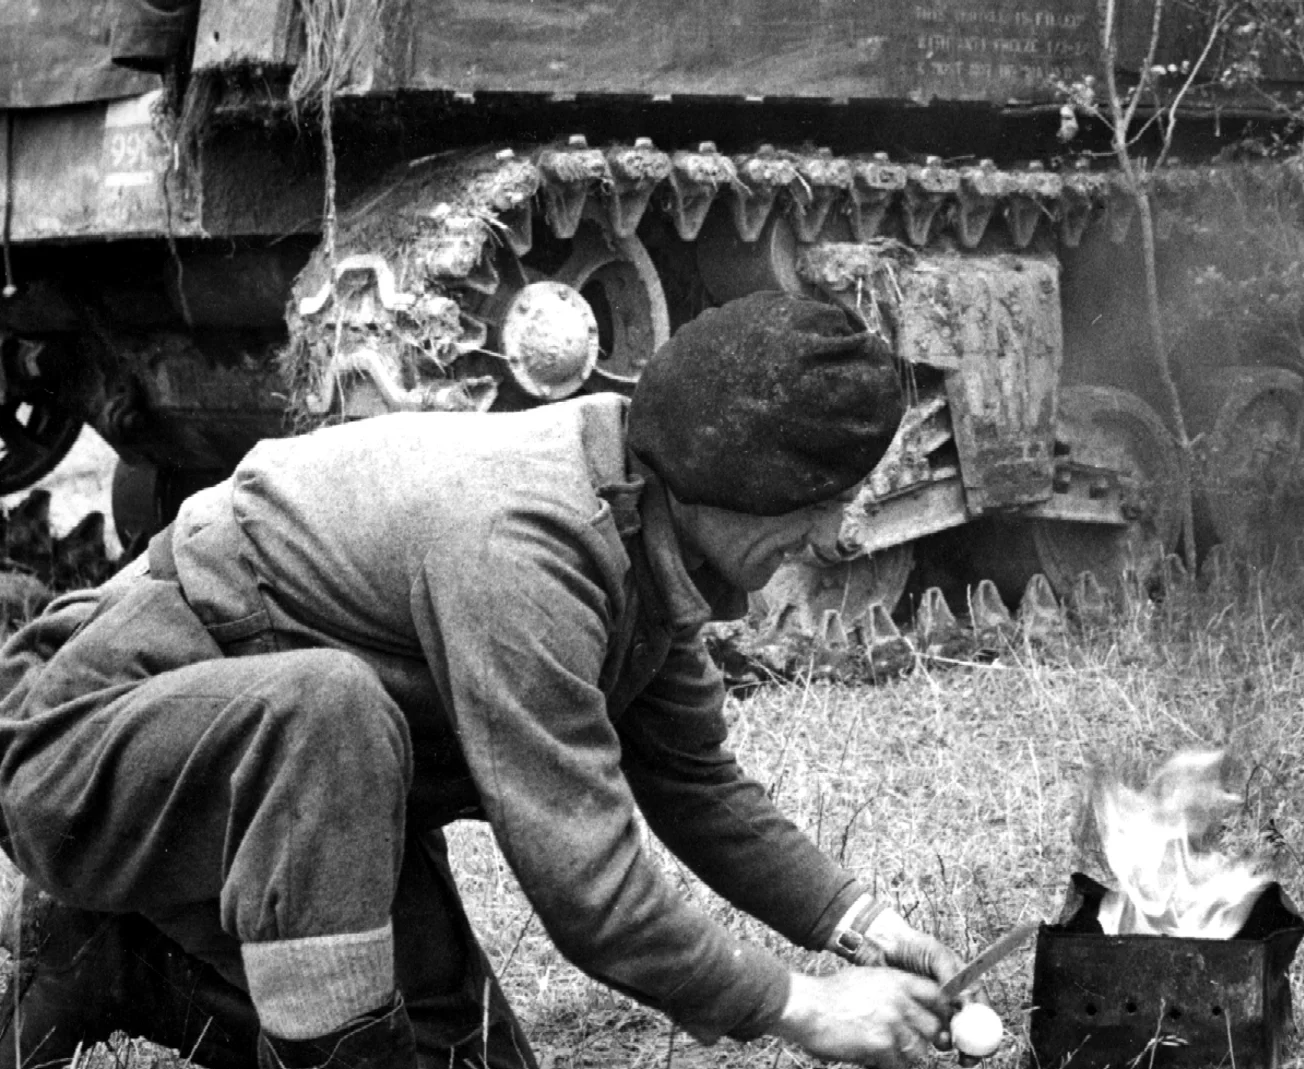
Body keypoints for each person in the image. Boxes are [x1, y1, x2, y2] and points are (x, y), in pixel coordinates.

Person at [0, 291, 965, 1069]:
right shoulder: (526, 542)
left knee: (462, 1055)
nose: (835, 535)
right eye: (823, 499)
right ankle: (130, 934)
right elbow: (588, 888)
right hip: (80, 749)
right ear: (735, 479)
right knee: (329, 708)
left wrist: (860, 923)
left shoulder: (642, 513)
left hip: (291, 803)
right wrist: (801, 1007)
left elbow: (696, 783)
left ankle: (126, 956)